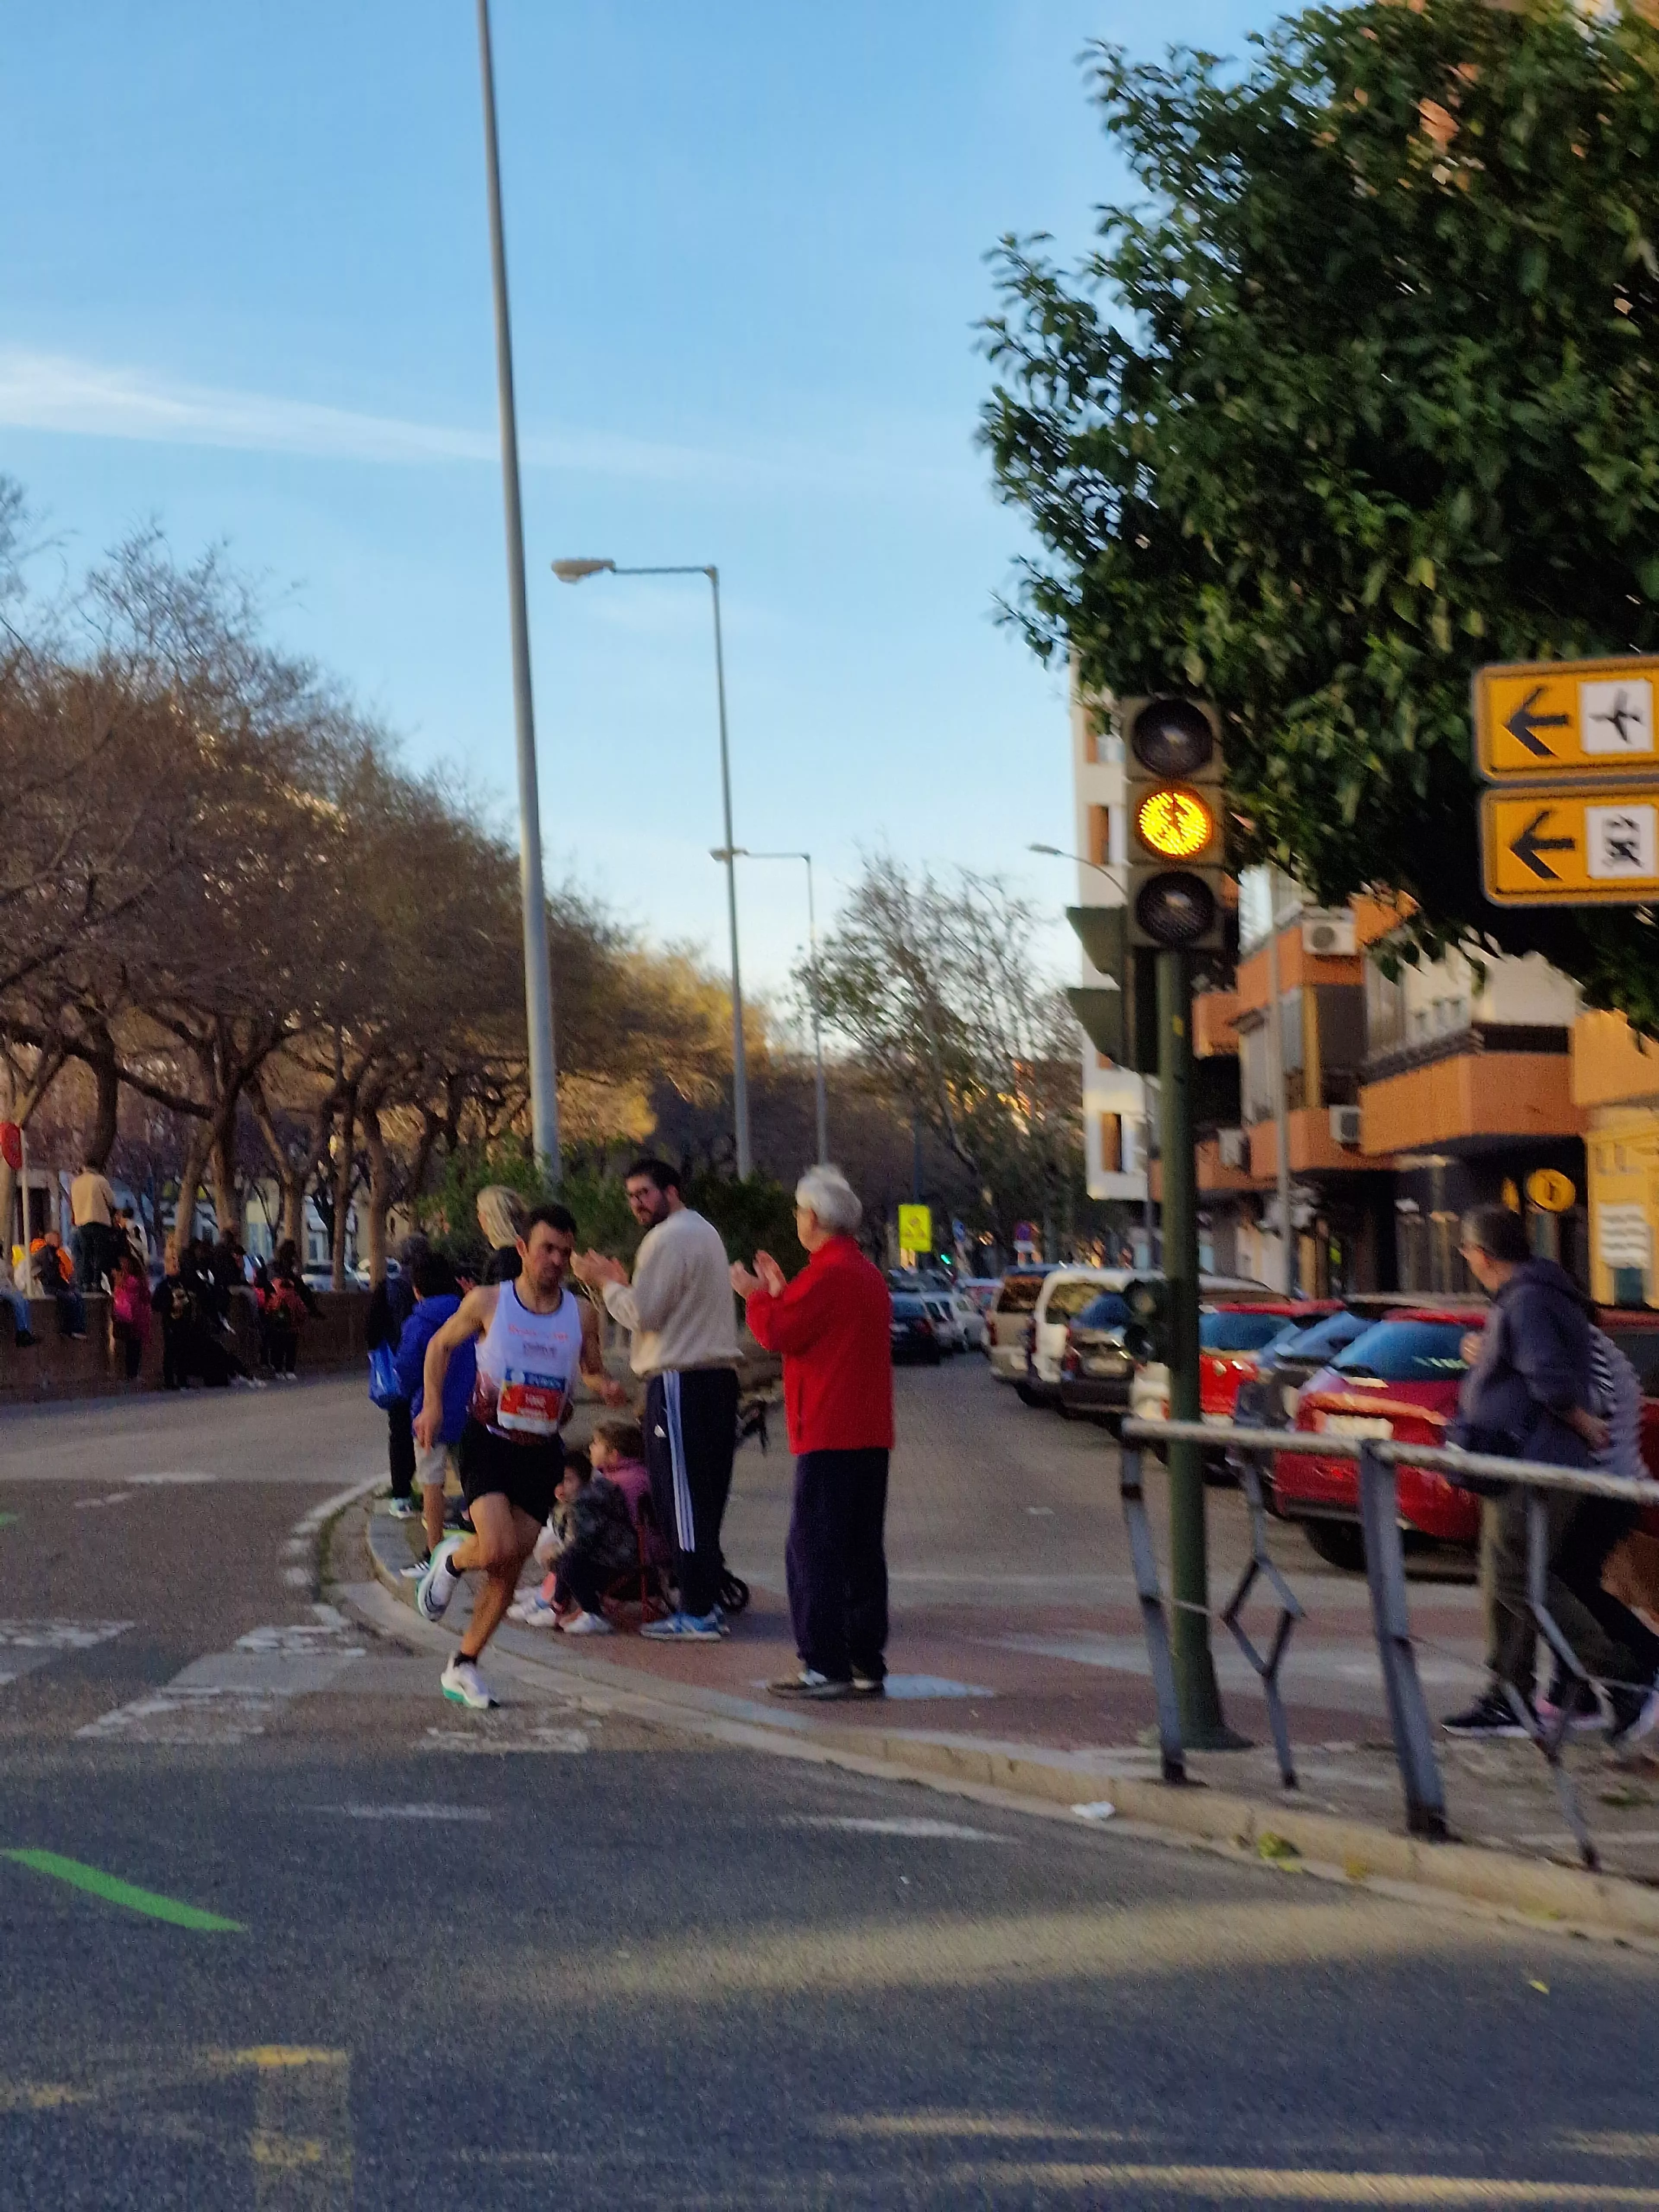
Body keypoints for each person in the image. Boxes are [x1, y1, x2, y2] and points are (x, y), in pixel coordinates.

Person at [1443, 1205, 1659, 1746]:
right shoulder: (1527, 1298)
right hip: (1521, 1462)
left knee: (1519, 1579)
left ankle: (1624, 1674)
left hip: (1533, 1466)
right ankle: (1510, 1695)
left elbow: (1553, 1381)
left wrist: (1581, 1421)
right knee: (1506, 1580)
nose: (1468, 1259)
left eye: (1467, 1250)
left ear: (1482, 1253)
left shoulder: (1530, 1300)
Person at [414, 1203, 626, 1709]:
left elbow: (590, 1368)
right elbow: (440, 1347)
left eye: (565, 1252)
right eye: (547, 1248)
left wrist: (605, 1384)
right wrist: (433, 1404)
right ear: (524, 1249)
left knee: (508, 1569)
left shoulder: (582, 1313)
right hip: (489, 1440)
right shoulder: (489, 1302)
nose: (556, 1260)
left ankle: (464, 1664)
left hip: (542, 1450)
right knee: (495, 1548)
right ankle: (451, 1557)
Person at [732, 1165, 895, 1700]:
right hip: (869, 1431)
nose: (797, 1218)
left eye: (800, 1211)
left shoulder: (827, 1275)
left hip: (828, 1430)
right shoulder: (864, 1273)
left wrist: (756, 1294)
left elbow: (779, 1331)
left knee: (814, 1550)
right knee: (861, 1551)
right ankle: (864, 1657)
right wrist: (780, 1290)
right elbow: (811, 1327)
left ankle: (824, 1661)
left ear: (816, 1217)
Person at [573, 1157, 741, 1643]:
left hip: (680, 1381)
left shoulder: (668, 1238)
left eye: (645, 1193)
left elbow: (642, 1314)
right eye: (631, 1196)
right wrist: (622, 1284)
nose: (637, 1204)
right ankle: (704, 1601)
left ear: (672, 1190)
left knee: (680, 1499)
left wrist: (606, 1283)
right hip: (715, 1381)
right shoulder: (704, 1232)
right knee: (704, 1499)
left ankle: (697, 1609)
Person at [513, 1417, 665, 1632]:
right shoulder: (637, 1474)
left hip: (637, 1560)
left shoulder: (612, 1485)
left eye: (596, 1444)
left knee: (569, 1557)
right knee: (569, 1551)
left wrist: (558, 1553)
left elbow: (601, 1530)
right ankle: (553, 1600)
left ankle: (581, 1610)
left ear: (614, 1455)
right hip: (645, 1555)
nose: (591, 1448)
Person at [393, 1248, 476, 1570]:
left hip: (430, 1412)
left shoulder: (419, 1322)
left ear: (417, 1289)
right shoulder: (469, 1314)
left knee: (432, 1482)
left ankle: (434, 1551)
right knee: (474, 1480)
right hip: (472, 1410)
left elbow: (407, 1369)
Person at [369, 1234, 427, 1520]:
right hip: (427, 1368)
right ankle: (430, 1490)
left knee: (400, 1430)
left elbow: (372, 1331)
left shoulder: (387, 1288)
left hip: (396, 1370)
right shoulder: (431, 1285)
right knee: (429, 1431)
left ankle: (401, 1494)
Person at [68, 1163, 118, 1291]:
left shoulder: (76, 1183)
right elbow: (111, 1200)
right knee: (99, 1254)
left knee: (86, 1254)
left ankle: (86, 1283)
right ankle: (97, 1282)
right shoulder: (100, 1180)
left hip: (82, 1224)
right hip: (99, 1222)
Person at [30, 1230, 87, 1339]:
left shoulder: (54, 1253)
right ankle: (69, 1329)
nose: (60, 1242)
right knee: (70, 1297)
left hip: (56, 1284)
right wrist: (64, 1286)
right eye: (58, 1239)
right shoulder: (45, 1254)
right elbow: (50, 1275)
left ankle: (79, 1328)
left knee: (77, 1296)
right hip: (48, 1286)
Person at [111, 1248, 151, 1381]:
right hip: (138, 1316)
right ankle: (133, 1373)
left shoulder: (123, 1282)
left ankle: (130, 1373)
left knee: (129, 1347)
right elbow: (146, 1296)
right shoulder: (139, 1281)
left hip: (127, 1316)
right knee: (135, 1346)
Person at [476, 1186, 526, 1285]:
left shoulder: (504, 1261)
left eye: (480, 1212)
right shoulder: (527, 1252)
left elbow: (505, 1293)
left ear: (491, 1217)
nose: (478, 1217)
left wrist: (484, 1293)